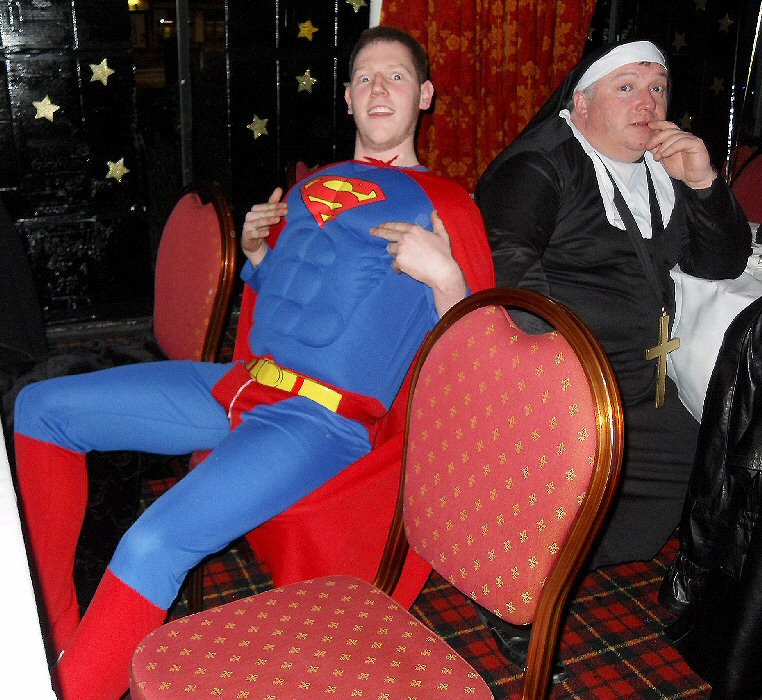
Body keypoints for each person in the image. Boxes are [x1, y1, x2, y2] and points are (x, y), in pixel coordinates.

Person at [13, 25, 495, 699]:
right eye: (364, 78)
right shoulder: (310, 186)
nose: (378, 89)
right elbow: (302, 302)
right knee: (41, 408)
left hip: (317, 422)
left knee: (152, 544)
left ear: (425, 95)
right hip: (242, 386)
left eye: (396, 76)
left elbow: (477, 355)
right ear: (348, 98)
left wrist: (445, 276)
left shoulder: (446, 204)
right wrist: (259, 260)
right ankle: (54, 635)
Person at [473, 40, 750, 674]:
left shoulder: (663, 165)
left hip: (651, 379)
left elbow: (722, 261)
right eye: (627, 87)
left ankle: (687, 583)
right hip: (569, 384)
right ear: (581, 101)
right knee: (559, 514)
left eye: (658, 89)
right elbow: (509, 270)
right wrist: (562, 377)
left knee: (707, 469)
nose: (647, 103)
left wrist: (704, 183)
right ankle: (511, 592)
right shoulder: (541, 166)